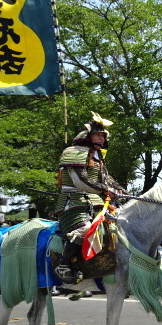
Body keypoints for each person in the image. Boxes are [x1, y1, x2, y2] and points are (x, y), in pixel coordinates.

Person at [54, 112, 124, 283]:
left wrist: (121, 190)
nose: (102, 138)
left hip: (97, 203)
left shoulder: (99, 156)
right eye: (98, 135)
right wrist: (106, 189)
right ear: (87, 135)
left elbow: (107, 179)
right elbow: (81, 181)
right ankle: (64, 264)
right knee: (85, 230)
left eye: (103, 135)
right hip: (74, 203)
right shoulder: (74, 152)